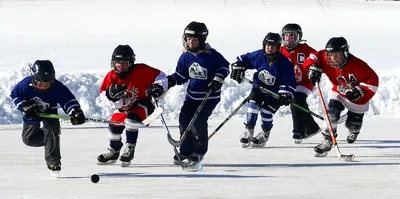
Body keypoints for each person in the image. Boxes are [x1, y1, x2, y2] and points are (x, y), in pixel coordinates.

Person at [168, 21, 230, 165]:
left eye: (194, 39)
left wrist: (217, 79)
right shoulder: (185, 56)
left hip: (209, 97)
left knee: (197, 122)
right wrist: (171, 80)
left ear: (202, 40)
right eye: (188, 38)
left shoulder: (211, 55)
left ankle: (199, 151)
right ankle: (186, 149)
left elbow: (224, 67)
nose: (191, 42)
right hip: (191, 97)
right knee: (184, 120)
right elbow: (181, 74)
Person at [97, 44, 168, 167]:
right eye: (117, 62)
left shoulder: (141, 70)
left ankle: (130, 148)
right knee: (114, 126)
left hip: (144, 104)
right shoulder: (111, 76)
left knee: (131, 120)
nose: (120, 66)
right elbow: (104, 95)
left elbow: (161, 76)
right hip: (125, 107)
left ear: (131, 63)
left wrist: (158, 88)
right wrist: (110, 95)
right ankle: (114, 151)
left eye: (124, 63)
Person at [306, 37, 379, 155]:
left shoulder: (358, 65)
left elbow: (373, 82)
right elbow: (313, 57)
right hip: (339, 91)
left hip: (358, 99)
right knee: (332, 114)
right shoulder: (326, 58)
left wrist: (360, 91)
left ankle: (354, 130)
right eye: (330, 55)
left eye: (337, 55)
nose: (333, 59)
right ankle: (327, 141)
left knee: (353, 125)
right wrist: (313, 66)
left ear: (345, 53)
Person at [10, 60, 85, 173]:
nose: (43, 87)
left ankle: (53, 162)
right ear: (33, 79)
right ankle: (51, 138)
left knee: (51, 130)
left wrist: (75, 111)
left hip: (50, 111)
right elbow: (15, 95)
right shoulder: (25, 85)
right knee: (29, 139)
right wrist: (24, 106)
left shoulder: (57, 87)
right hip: (32, 111)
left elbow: (68, 100)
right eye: (40, 84)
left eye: (47, 84)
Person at [231, 32, 297, 148]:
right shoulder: (260, 55)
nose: (269, 48)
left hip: (274, 94)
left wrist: (286, 94)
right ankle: (249, 131)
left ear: (278, 47)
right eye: (267, 45)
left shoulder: (285, 63)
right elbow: (244, 59)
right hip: (259, 89)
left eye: (273, 46)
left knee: (266, 112)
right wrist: (238, 66)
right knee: (252, 106)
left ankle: (265, 134)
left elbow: (289, 81)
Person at [280, 23, 321, 143]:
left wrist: (315, 66)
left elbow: (317, 57)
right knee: (297, 102)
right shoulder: (280, 51)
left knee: (296, 100)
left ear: (299, 37)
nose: (289, 39)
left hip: (304, 82)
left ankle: (298, 130)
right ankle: (312, 127)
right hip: (288, 84)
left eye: (293, 36)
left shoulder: (305, 49)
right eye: (287, 36)